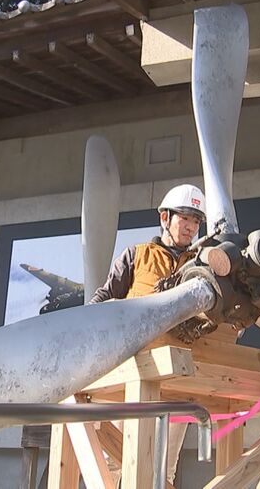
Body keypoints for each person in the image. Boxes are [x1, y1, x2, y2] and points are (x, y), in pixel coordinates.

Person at [89, 183, 206, 484]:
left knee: (164, 471)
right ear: (165, 218)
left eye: (196, 221)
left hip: (176, 382)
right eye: (185, 218)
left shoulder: (200, 267)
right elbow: (100, 303)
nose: (191, 227)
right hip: (128, 377)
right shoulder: (135, 256)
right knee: (116, 465)